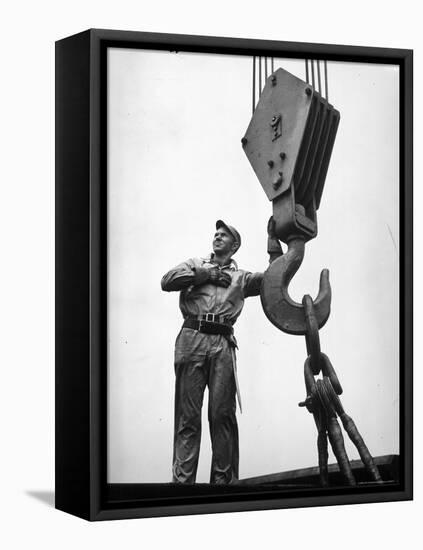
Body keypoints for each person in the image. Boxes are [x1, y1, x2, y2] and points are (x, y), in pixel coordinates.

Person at [161, 218, 282, 484]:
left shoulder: (242, 278)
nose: (216, 237)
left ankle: (224, 486)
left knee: (222, 414)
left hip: (223, 345)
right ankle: (182, 485)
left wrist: (274, 242)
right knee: (188, 416)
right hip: (192, 337)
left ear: (234, 245)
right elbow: (167, 280)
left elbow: (275, 279)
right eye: (215, 233)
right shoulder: (194, 265)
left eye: (223, 235)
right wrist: (205, 275)